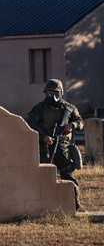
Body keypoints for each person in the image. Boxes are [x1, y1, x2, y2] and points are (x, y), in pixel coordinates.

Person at [25, 79, 84, 210]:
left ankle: (75, 205)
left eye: (55, 94)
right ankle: (42, 206)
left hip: (63, 148)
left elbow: (80, 121)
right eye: (49, 94)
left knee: (68, 177)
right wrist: (43, 136)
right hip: (45, 148)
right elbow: (30, 123)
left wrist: (72, 125)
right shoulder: (39, 108)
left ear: (61, 93)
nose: (52, 97)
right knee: (43, 177)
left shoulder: (68, 108)